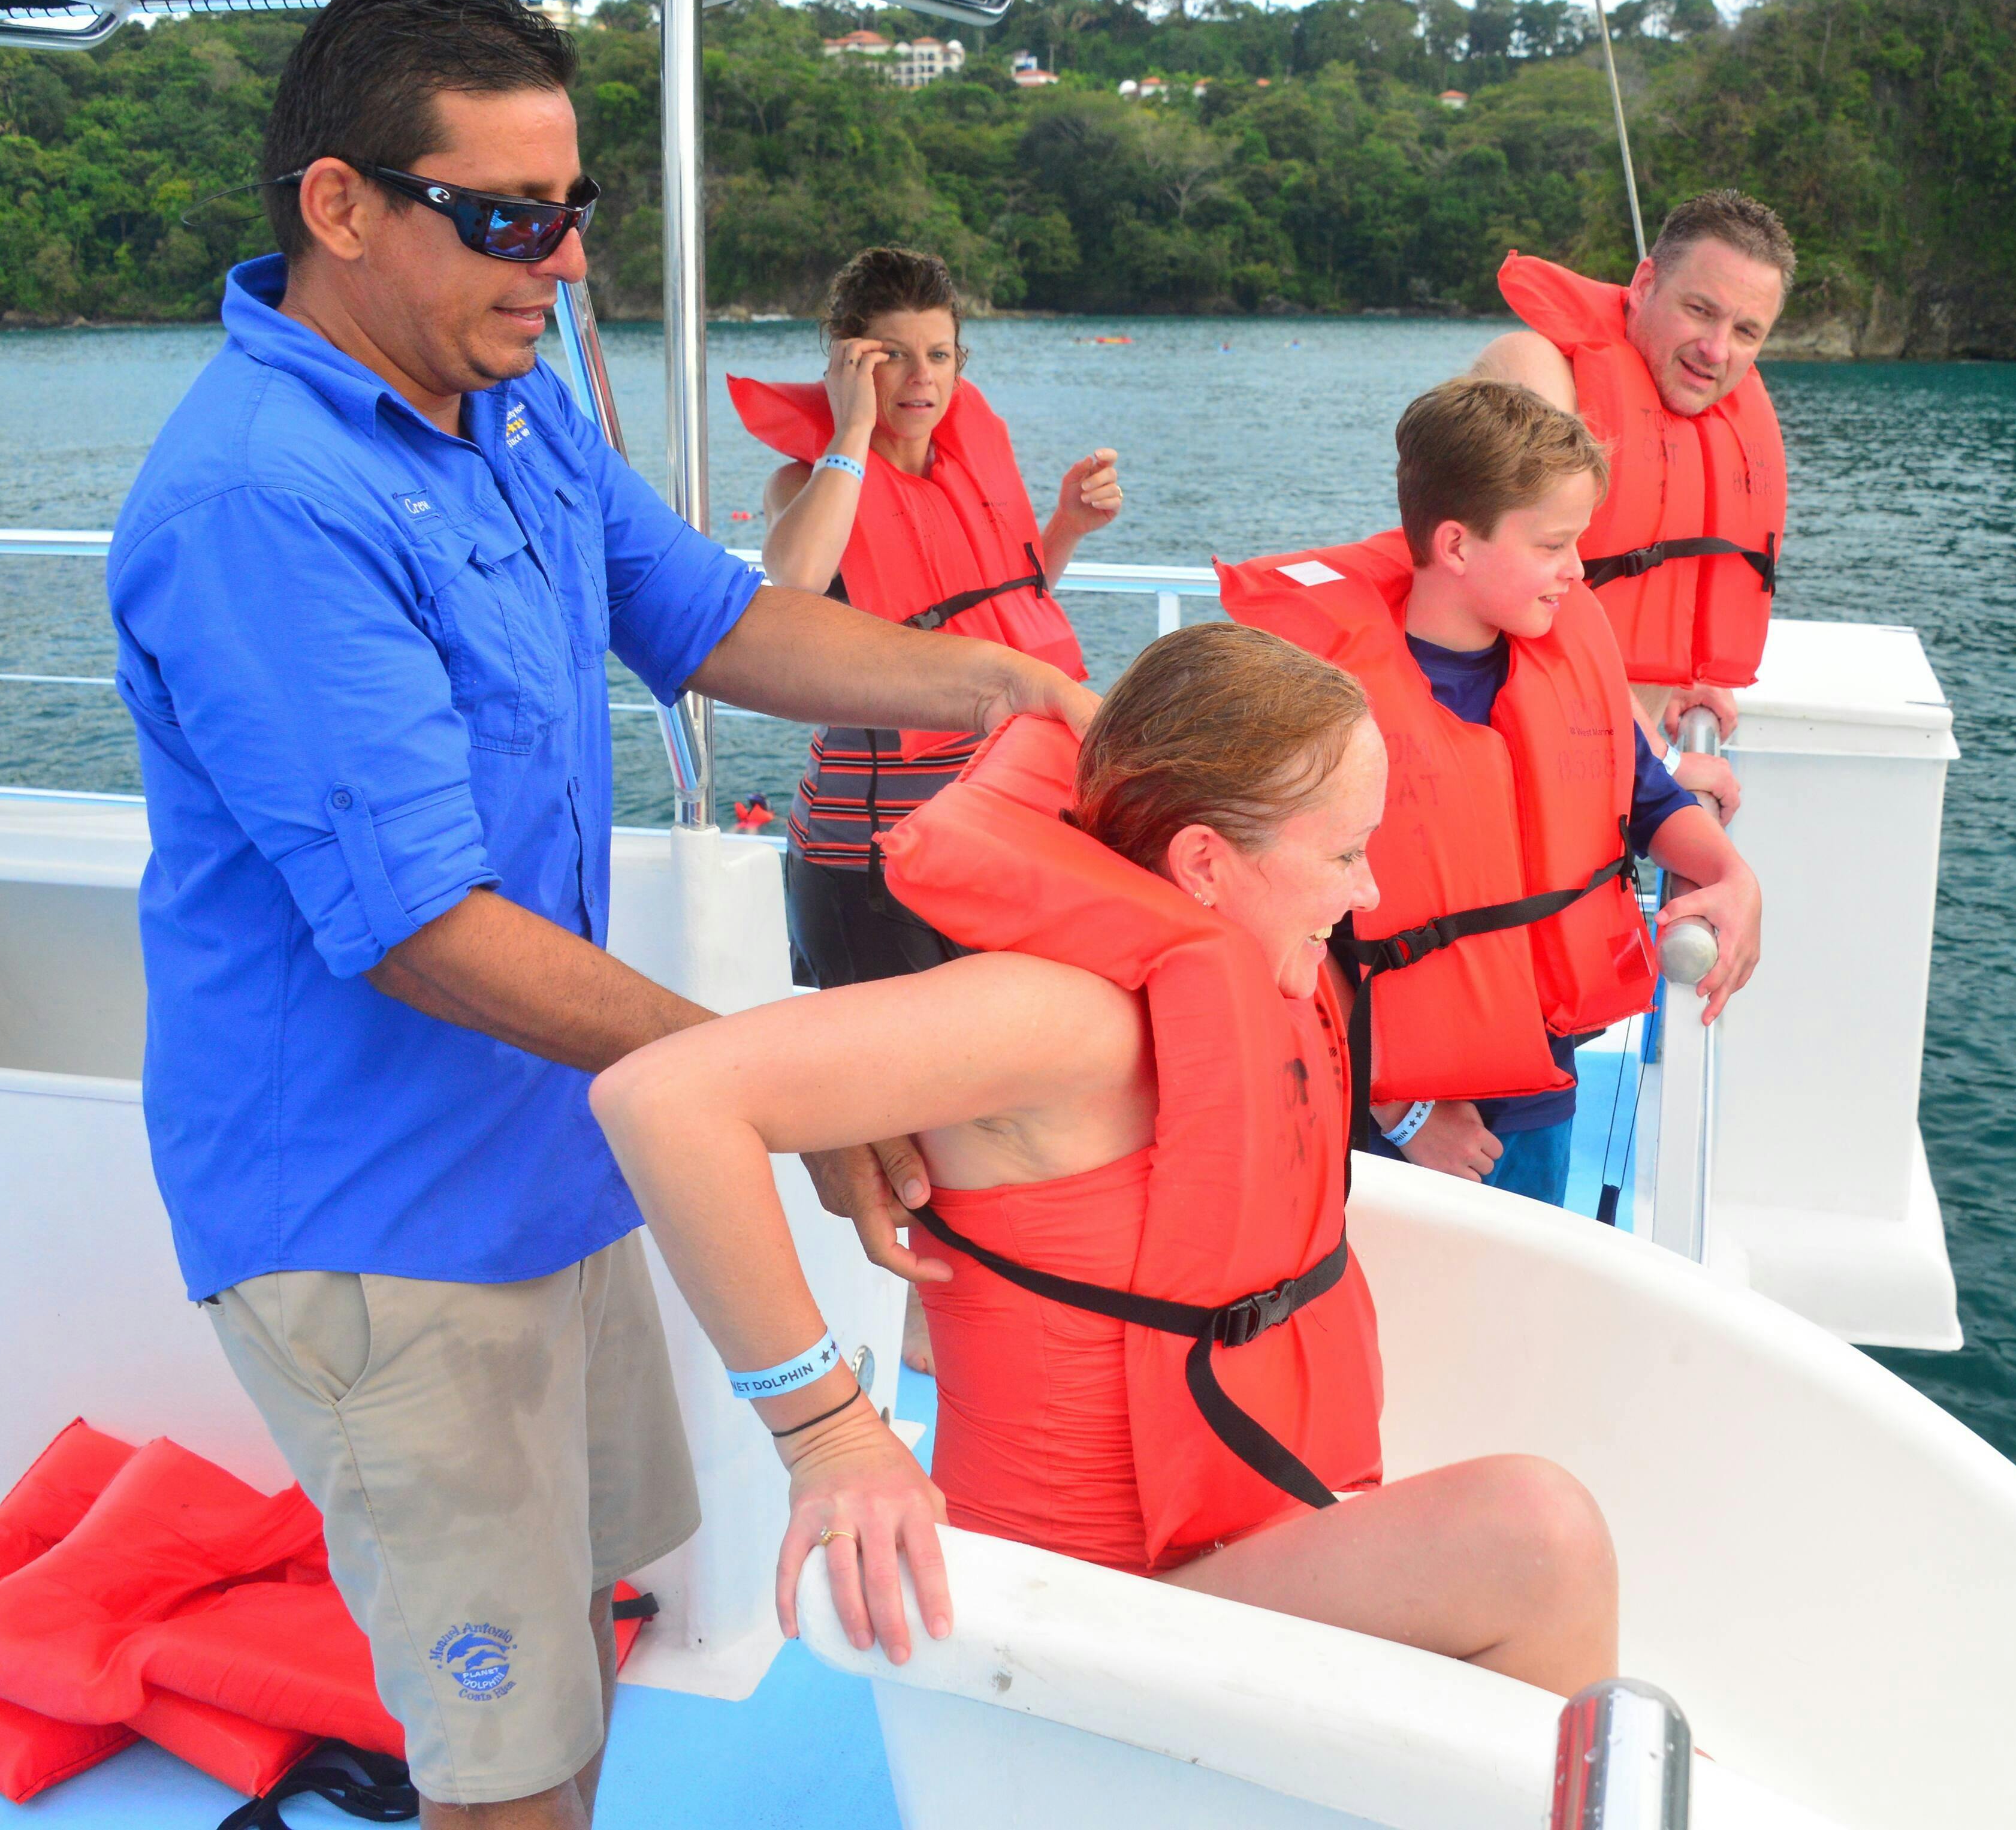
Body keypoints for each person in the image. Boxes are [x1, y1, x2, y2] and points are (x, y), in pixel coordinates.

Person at [105, 0, 1094, 1830]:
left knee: (584, 1615)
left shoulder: (511, 394)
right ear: (337, 206)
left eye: (571, 214)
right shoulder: (261, 498)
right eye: (501, 218)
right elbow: (415, 923)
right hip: (377, 1219)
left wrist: (1005, 686)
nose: (552, 262)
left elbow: (709, 616)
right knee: (508, 1755)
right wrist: (757, 1088)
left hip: (555, 1152)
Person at [589, 624, 1619, 1697]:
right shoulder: (1062, 1014)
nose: (1370, 892)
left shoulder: (1239, 972)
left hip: (1237, 1524)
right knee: (1541, 1541)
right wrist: (831, 1434)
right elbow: (664, 1099)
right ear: (1205, 862)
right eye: (1345, 852)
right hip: (1081, 1604)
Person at [1220, 380, 1761, 1204]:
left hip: (1541, 1082)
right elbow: (1280, 930)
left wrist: (1728, 871)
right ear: (1458, 547)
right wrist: (1401, 1112)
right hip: (1383, 1111)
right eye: (1552, 546)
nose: (1576, 571)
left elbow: (1646, 798)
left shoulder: (1563, 661)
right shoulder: (1324, 713)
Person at [728, 246, 1122, 990]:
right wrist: (850, 432)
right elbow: (797, 575)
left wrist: (1064, 526)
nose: (922, 377)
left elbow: (1001, 615)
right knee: (893, 1104)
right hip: (866, 858)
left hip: (985, 837)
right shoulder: (803, 484)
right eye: (894, 356)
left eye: (939, 354)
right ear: (849, 365)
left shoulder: (963, 476)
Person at [1470, 189, 1800, 817]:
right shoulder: (1533, 376)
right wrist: (1667, 762)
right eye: (1699, 310)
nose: (1715, 349)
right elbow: (1527, 606)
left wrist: (1672, 674)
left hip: (1593, 794)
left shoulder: (1702, 406)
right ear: (1645, 281)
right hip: (1491, 794)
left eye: (1745, 331)